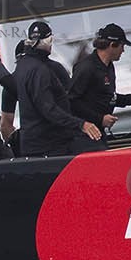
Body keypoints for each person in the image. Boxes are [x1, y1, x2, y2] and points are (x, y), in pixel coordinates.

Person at [14, 20, 100, 157]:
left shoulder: (22, 67)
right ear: (48, 41)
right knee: (97, 149)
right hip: (50, 144)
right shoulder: (41, 69)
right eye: (51, 40)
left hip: (31, 143)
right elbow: (48, 109)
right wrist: (81, 124)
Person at [67, 22, 131, 150]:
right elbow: (72, 101)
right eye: (122, 46)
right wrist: (100, 119)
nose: (123, 51)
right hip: (85, 135)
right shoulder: (86, 67)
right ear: (112, 45)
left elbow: (109, 97)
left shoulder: (109, 67)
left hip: (99, 132)